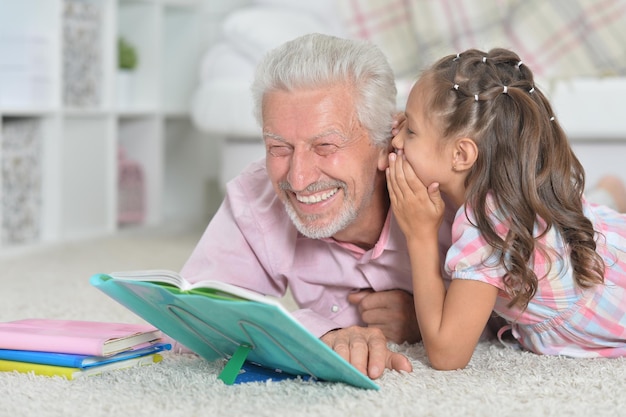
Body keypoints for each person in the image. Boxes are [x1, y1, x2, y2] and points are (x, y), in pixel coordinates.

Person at [180, 33, 438, 379]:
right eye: (279, 148)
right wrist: (316, 332)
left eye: (326, 146)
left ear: (385, 142)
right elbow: (192, 318)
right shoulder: (257, 195)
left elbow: (529, 304)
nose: (298, 179)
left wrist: (431, 313)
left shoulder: (447, 188)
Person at [386, 47, 626, 371]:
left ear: (461, 155)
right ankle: (611, 190)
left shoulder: (486, 228)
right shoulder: (512, 185)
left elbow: (447, 354)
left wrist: (420, 236)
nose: (396, 141)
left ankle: (612, 190)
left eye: (409, 130)